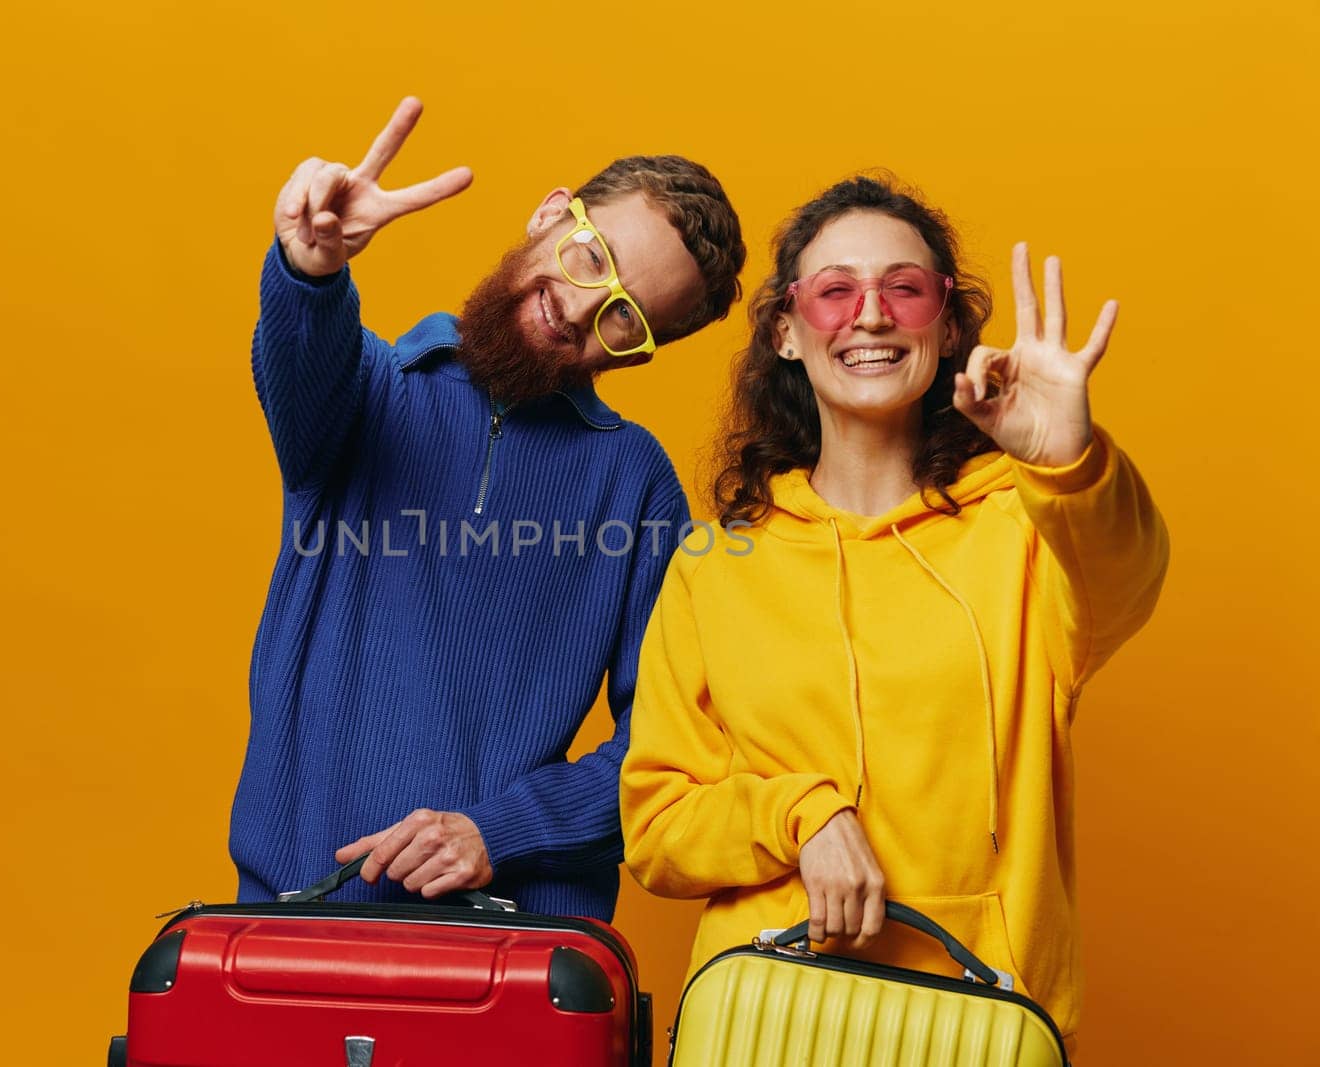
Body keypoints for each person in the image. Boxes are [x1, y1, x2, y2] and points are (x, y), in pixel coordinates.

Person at [620, 175, 1167, 1046]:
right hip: (767, 1016)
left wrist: (1066, 460)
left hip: (978, 1019)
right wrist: (802, 817)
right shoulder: (712, 566)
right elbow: (655, 825)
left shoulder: (1026, 526)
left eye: (902, 289)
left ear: (947, 327)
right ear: (787, 333)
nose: (869, 315)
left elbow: (1127, 575)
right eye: (835, 291)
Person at [232, 97, 747, 920]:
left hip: (513, 946)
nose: (580, 309)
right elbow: (302, 361)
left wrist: (496, 831)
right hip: (296, 920)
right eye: (591, 258)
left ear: (642, 350)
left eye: (625, 317)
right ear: (551, 213)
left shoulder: (636, 483)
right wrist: (312, 270)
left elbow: (671, 747)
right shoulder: (367, 390)